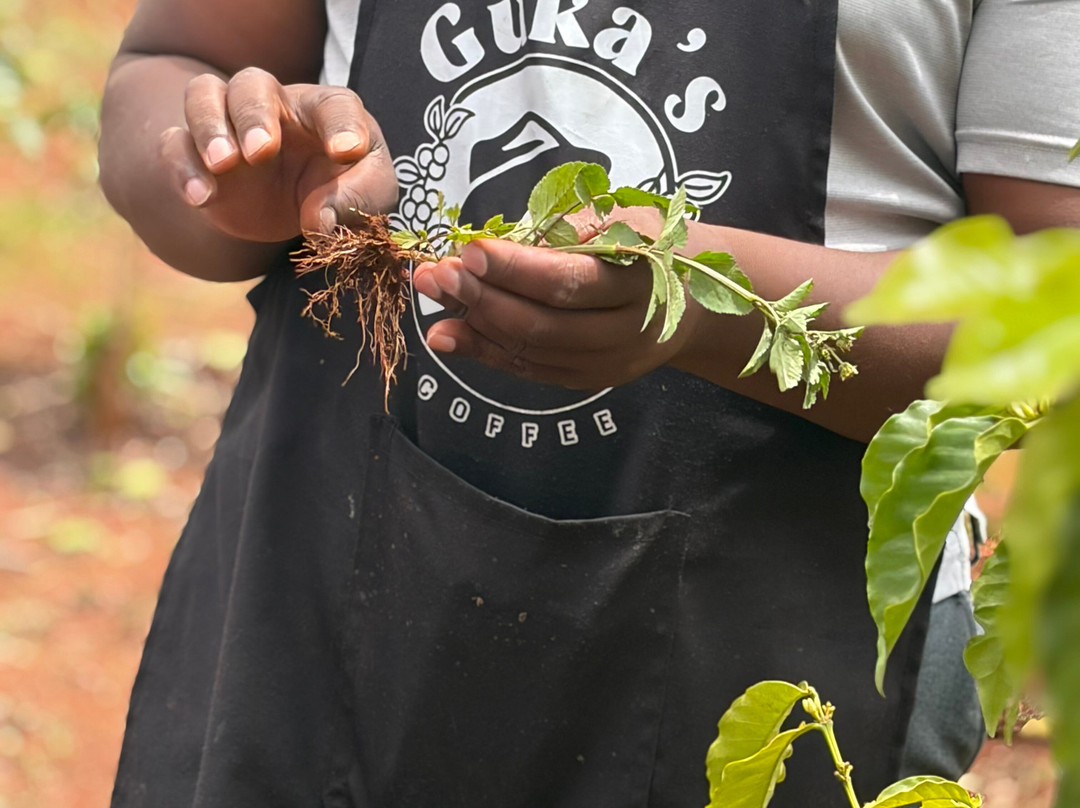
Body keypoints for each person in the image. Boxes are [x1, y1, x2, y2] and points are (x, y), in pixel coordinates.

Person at [98, 1, 1080, 806]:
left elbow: (1055, 304)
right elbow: (173, 59)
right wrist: (234, 174)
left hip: (777, 633)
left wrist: (703, 297)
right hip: (318, 604)